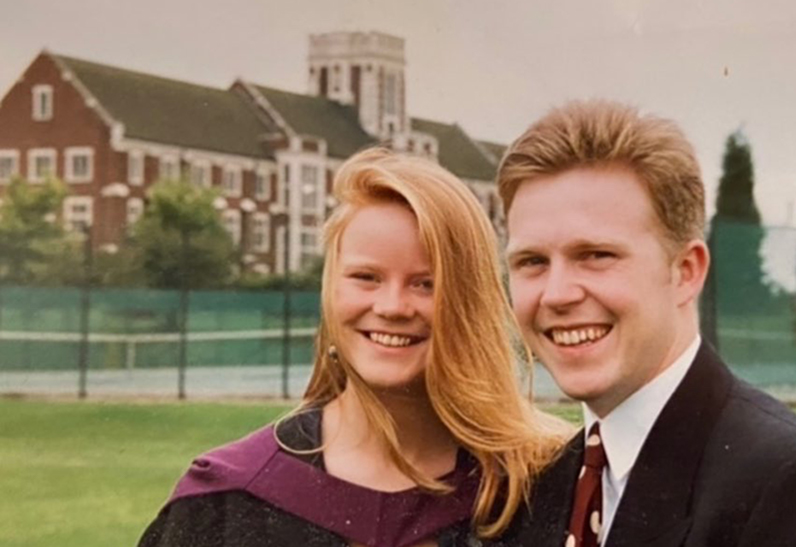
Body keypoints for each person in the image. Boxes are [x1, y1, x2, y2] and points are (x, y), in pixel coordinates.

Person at [491, 100, 796, 547]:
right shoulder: (541, 491)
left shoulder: (795, 488)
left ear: (686, 271)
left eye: (596, 256)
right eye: (531, 261)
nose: (557, 293)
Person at [139, 148, 568, 547]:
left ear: (471, 300)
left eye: (426, 284)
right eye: (366, 277)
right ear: (330, 290)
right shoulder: (224, 505)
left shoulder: (543, 491)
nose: (392, 306)